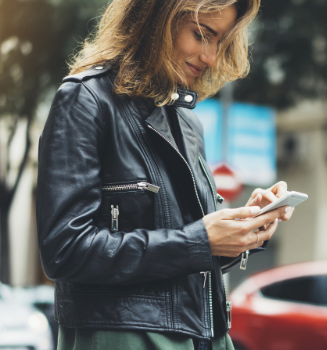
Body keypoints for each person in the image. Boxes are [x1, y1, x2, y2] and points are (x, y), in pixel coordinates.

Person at [35, 0, 294, 349]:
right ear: (157, 18)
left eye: (220, 42)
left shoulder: (188, 123)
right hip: (124, 338)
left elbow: (187, 256)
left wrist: (244, 229)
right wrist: (200, 241)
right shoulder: (86, 101)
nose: (211, 57)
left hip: (206, 338)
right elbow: (65, 251)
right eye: (201, 35)